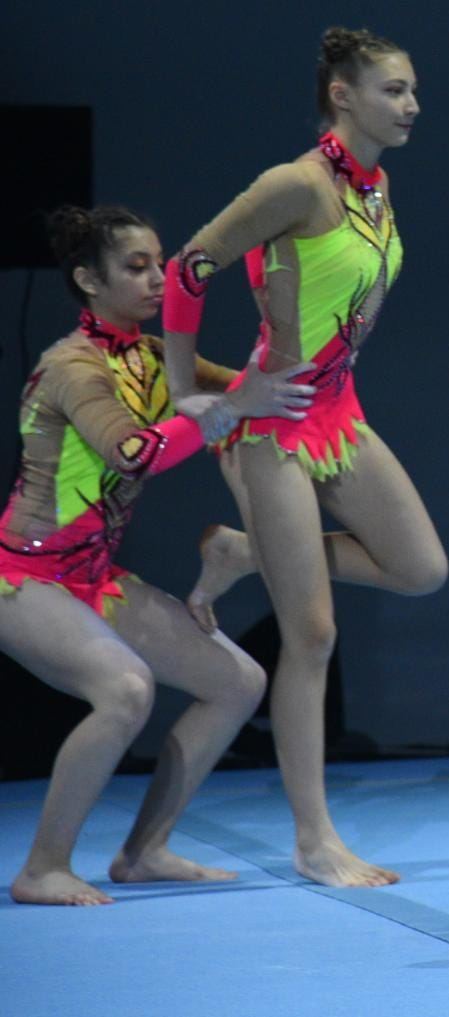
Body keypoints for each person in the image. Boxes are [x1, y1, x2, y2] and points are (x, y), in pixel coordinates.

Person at [164, 26, 448, 888]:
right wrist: (190, 394)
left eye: (412, 91)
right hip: (272, 427)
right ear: (343, 95)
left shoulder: (376, 187)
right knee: (313, 631)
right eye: (395, 90)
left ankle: (245, 555)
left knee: (420, 566)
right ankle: (314, 838)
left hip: (335, 411)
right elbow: (187, 269)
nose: (411, 105)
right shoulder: (293, 185)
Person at [1, 205, 314, 905]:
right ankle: (43, 866)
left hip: (92, 577)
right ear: (87, 278)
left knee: (238, 681)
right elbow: (131, 453)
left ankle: (144, 852)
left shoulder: (147, 357)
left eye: (160, 265)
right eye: (135, 267)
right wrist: (231, 407)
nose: (156, 280)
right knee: (125, 689)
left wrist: (299, 339)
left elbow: (251, 390)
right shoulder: (70, 367)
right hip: (23, 579)